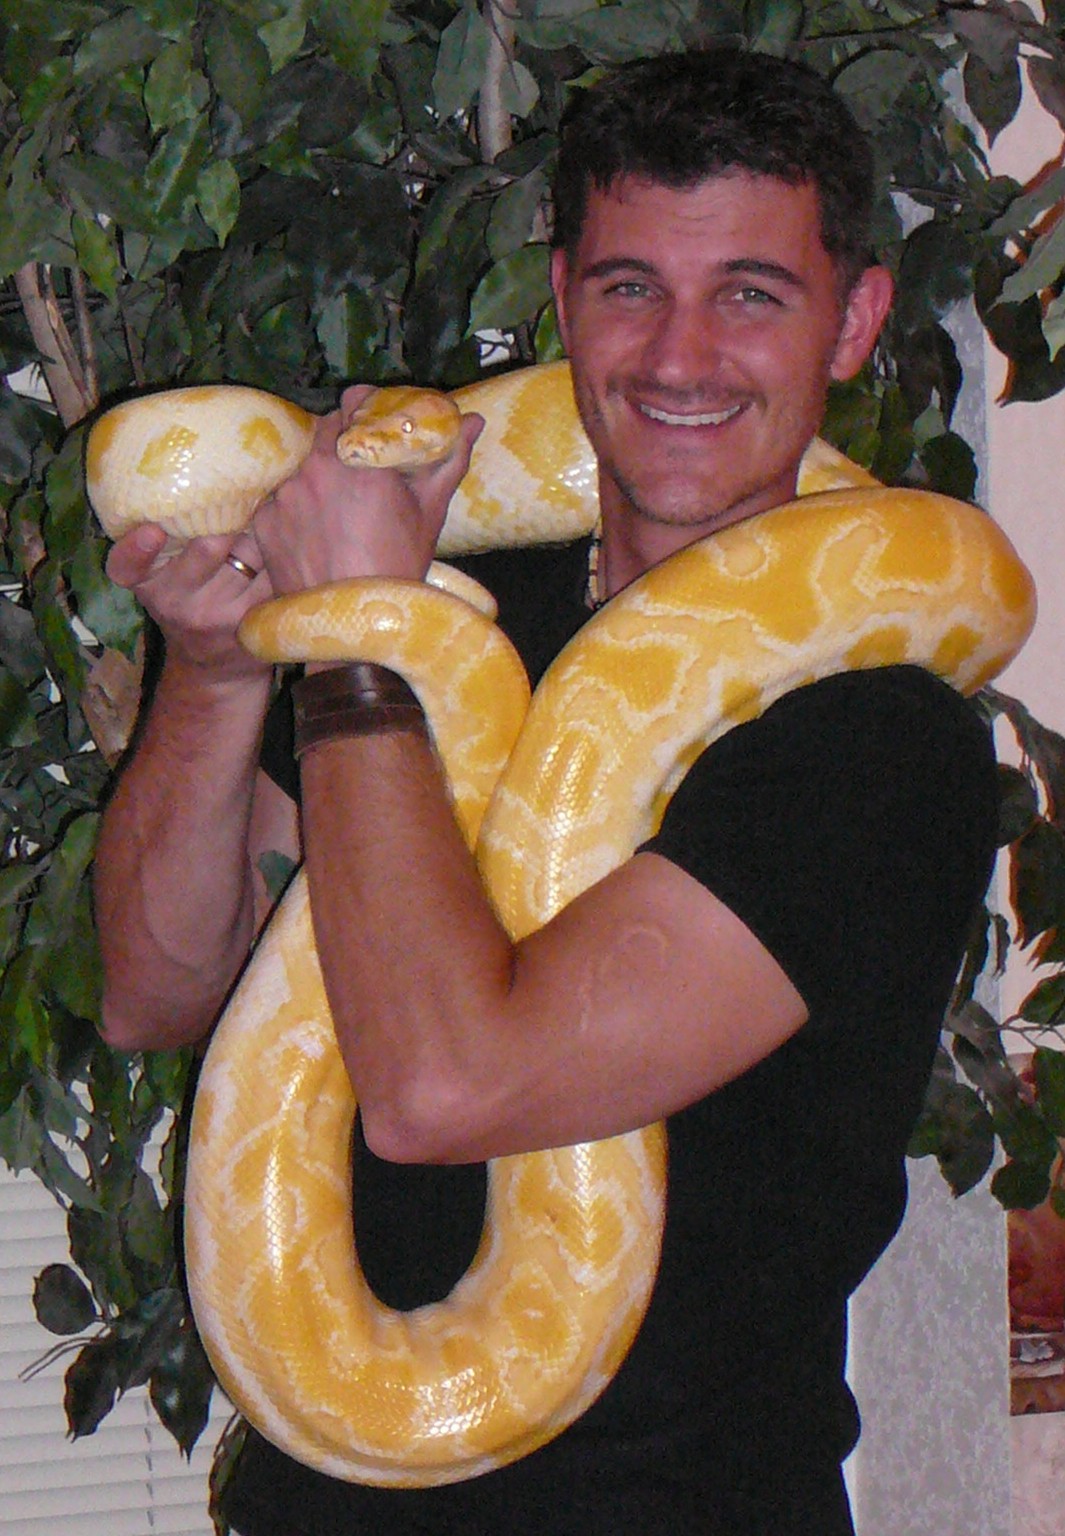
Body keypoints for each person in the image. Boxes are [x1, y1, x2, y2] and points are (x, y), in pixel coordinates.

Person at [94, 47, 999, 1536]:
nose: (679, 357)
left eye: (752, 295)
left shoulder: (875, 740)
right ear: (565, 302)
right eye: (632, 288)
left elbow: (448, 1089)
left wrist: (359, 637)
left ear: (852, 326)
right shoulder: (457, 613)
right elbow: (155, 990)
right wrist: (213, 665)